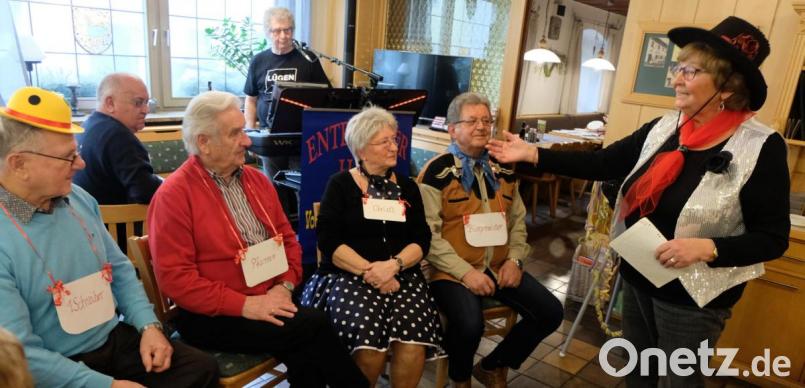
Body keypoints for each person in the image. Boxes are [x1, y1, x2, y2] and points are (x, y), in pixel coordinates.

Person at [487, 17, 790, 387]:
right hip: (639, 276)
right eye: (678, 68)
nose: (675, 78)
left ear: (726, 87)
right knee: (639, 374)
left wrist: (707, 247)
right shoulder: (667, 126)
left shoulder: (761, 146)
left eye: (690, 71)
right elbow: (603, 162)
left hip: (692, 298)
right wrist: (534, 154)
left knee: (678, 382)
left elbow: (772, 238)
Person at [147, 91, 368, 388]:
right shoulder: (174, 196)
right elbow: (178, 281)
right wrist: (247, 306)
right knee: (313, 325)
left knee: (304, 346)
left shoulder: (257, 180)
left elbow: (289, 240)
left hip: (269, 293)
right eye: (236, 133)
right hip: (211, 315)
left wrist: (284, 286)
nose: (248, 141)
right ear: (204, 143)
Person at [0, 86, 218, 388]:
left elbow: (120, 270)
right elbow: (21, 354)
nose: (81, 164)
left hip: (111, 337)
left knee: (200, 368)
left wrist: (149, 326)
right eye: (68, 157)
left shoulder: (78, 199)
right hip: (56, 363)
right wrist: (106, 385)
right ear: (19, 164)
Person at [418, 92, 564, 388]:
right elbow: (428, 237)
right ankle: (460, 379)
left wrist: (515, 260)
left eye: (486, 121)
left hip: (498, 265)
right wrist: (465, 273)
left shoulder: (505, 169)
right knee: (471, 324)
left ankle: (492, 364)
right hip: (450, 271)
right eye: (471, 121)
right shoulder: (437, 172)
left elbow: (518, 223)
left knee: (551, 312)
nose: (482, 127)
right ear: (452, 129)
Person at [300, 107, 443, 387]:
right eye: (385, 142)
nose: (394, 147)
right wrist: (371, 272)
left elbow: (421, 238)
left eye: (394, 139)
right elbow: (328, 240)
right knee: (369, 346)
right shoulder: (340, 184)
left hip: (401, 275)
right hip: (348, 275)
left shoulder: (407, 186)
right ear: (362, 150)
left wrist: (393, 266)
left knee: (412, 342)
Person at [73, 73, 163, 205]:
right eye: (138, 103)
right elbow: (146, 193)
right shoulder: (118, 136)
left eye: (146, 102)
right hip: (121, 224)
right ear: (110, 103)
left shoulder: (88, 125)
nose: (146, 110)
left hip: (89, 220)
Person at [244, 6, 331, 130]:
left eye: (287, 30)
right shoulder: (258, 61)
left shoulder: (308, 59)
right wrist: (250, 130)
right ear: (268, 32)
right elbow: (251, 100)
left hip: (300, 133)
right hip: (266, 133)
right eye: (277, 31)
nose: (283, 36)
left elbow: (325, 95)